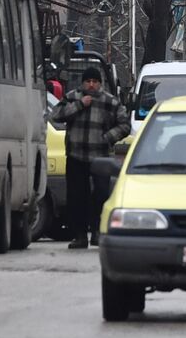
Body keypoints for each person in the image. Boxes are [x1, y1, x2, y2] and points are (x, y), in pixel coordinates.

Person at [49, 67, 130, 249]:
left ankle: (97, 232)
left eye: (95, 81)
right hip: (76, 155)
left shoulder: (110, 101)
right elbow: (56, 115)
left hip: (100, 157)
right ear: (83, 83)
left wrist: (107, 138)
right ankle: (79, 235)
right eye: (88, 81)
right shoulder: (72, 97)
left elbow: (124, 125)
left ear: (100, 83)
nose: (91, 85)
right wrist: (79, 105)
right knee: (77, 197)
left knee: (101, 194)